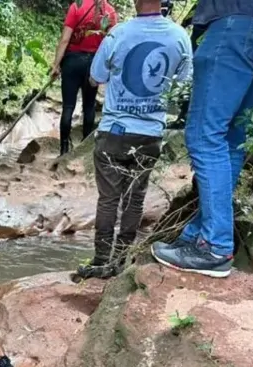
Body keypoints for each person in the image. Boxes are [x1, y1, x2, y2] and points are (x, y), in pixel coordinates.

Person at [150, 0, 253, 278]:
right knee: (229, 137)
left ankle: (215, 246)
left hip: (237, 23)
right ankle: (200, 233)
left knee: (204, 137)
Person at [73, 0, 193, 280]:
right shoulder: (179, 37)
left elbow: (95, 77)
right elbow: (184, 83)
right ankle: (122, 258)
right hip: (150, 133)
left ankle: (102, 260)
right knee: (135, 199)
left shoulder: (118, 34)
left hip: (115, 130)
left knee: (108, 199)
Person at [50, 0, 118, 156]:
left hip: (72, 62)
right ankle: (84, 150)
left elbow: (65, 39)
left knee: (68, 106)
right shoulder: (110, 12)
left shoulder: (77, 6)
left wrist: (56, 65)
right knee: (89, 107)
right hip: (94, 63)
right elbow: (112, 43)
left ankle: (64, 150)